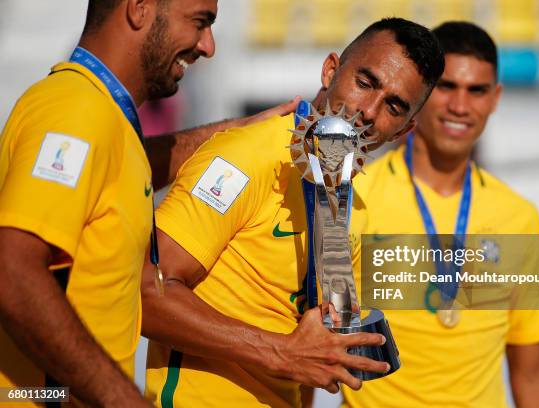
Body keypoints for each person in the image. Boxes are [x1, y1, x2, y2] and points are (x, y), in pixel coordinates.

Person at [0, 0, 297, 406]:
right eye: (200, 22)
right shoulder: (76, 111)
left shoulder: (102, 117)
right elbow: (12, 272)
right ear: (139, 9)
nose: (208, 46)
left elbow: (123, 164)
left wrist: (233, 134)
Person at [140, 18, 445, 407]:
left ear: (404, 129)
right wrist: (280, 352)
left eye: (393, 106)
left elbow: (309, 355)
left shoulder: (353, 205)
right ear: (330, 70)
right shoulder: (248, 156)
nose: (368, 111)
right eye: (365, 83)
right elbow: (148, 293)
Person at [342, 21, 539, 408]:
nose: (460, 106)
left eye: (476, 90)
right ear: (422, 93)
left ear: (495, 98)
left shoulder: (518, 217)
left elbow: (532, 371)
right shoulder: (355, 197)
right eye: (446, 87)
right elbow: (305, 345)